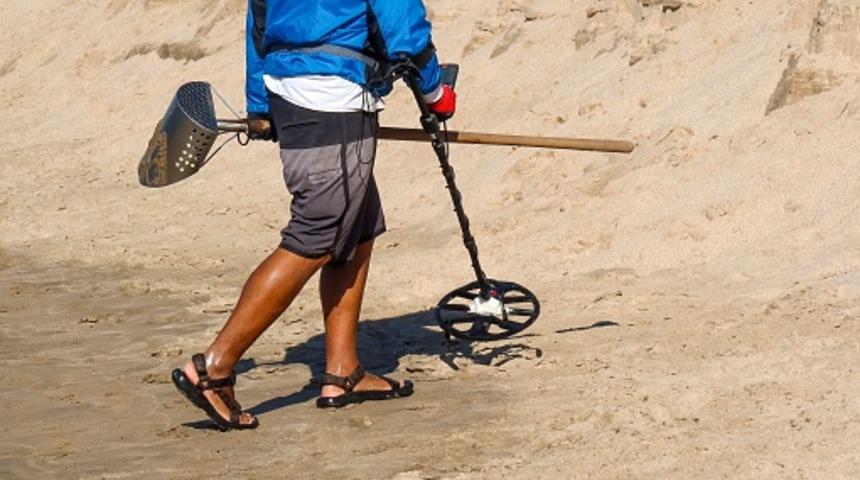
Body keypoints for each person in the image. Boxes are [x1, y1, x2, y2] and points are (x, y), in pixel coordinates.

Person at [171, 0, 457, 431]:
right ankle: (214, 366)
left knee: (358, 225)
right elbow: (401, 20)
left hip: (288, 87)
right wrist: (436, 94)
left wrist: (260, 105)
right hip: (334, 97)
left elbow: (260, 20)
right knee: (318, 233)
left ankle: (344, 372)